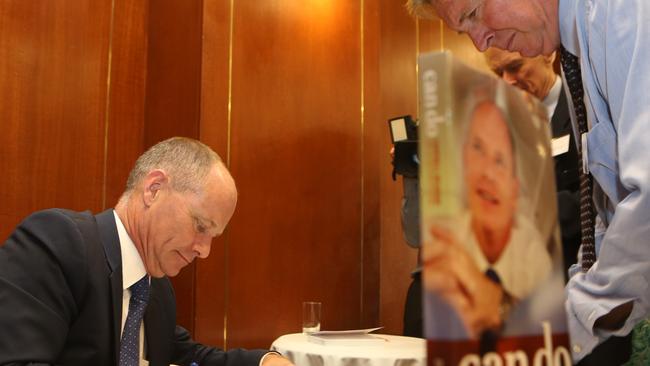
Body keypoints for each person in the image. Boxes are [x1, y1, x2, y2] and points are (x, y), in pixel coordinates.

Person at [407, 0, 649, 364]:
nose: (480, 43)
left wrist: (567, 325)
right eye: (464, 30)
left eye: (473, 15)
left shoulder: (621, 12)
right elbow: (610, 210)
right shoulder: (574, 52)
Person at [0, 137, 293, 366]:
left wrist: (263, 361)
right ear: (154, 189)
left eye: (213, 236)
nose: (204, 250)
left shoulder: (157, 291)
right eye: (201, 226)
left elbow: (186, 356)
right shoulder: (58, 241)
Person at [423, 99, 553, 340]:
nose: (487, 173)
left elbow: (545, 336)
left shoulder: (535, 260)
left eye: (500, 161)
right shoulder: (445, 243)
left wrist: (499, 303)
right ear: (463, 163)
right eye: (478, 149)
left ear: (516, 188)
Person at [484, 48, 581, 276]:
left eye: (515, 67)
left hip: (573, 274)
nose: (507, 81)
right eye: (499, 73)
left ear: (547, 54)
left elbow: (601, 200)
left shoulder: (583, 109)